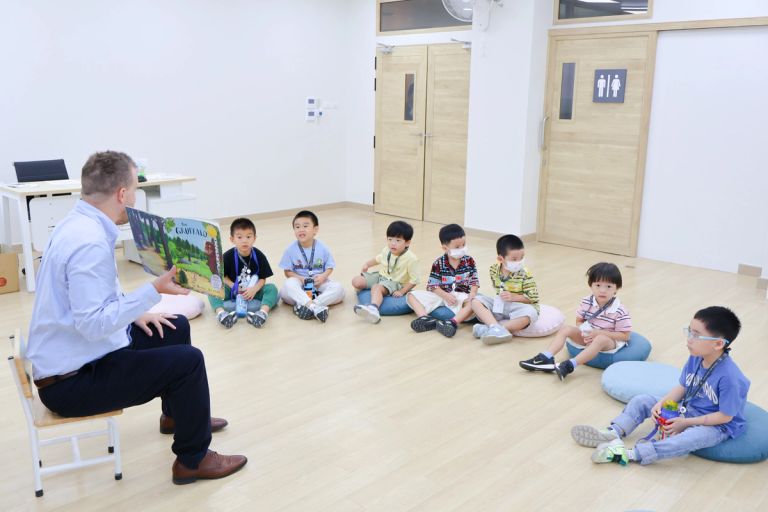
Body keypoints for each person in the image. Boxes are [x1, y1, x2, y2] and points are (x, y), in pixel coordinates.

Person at [25, 151, 246, 485]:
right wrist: (152, 290)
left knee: (175, 327)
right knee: (189, 362)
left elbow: (91, 301)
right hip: (71, 382)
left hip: (76, 354)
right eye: (135, 190)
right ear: (121, 194)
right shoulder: (89, 243)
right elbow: (92, 324)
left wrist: (136, 311)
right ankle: (193, 460)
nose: (135, 198)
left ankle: (177, 416)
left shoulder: (78, 223)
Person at [571, 307, 749, 466]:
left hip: (717, 425)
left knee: (691, 438)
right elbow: (683, 387)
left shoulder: (731, 378)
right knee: (642, 400)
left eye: (696, 335)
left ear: (718, 344)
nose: (689, 339)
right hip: (688, 409)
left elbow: (725, 416)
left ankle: (630, 454)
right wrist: (661, 403)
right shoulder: (696, 356)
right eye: (689, 331)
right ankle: (613, 432)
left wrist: (685, 423)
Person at [519, 262, 631, 380]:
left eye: (608, 286)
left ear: (616, 288)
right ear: (591, 285)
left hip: (609, 341)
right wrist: (586, 333)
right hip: (590, 335)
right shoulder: (586, 301)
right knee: (566, 329)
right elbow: (579, 321)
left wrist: (598, 333)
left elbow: (625, 336)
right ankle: (546, 357)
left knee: (600, 339)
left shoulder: (620, 310)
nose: (602, 290)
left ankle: (570, 365)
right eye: (598, 285)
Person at [407, 224, 478, 338]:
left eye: (464, 245)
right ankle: (425, 319)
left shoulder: (469, 261)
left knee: (474, 303)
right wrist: (445, 295)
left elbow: (474, 280)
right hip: (441, 295)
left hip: (461, 296)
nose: (462, 249)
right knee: (411, 295)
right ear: (445, 248)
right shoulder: (438, 263)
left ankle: (452, 323)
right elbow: (432, 285)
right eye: (457, 247)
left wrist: (473, 293)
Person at [209, 217, 278, 329]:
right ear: (232, 239)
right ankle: (221, 313)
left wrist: (254, 289)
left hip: (253, 290)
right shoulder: (227, 256)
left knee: (272, 288)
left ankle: (262, 313)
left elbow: (262, 279)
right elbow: (223, 277)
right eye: (239, 237)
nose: (244, 241)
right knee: (213, 288)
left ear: (254, 238)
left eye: (248, 237)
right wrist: (233, 286)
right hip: (233, 290)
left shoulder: (259, 255)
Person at [471, 234, 539, 345]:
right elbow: (497, 290)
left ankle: (492, 328)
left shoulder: (525, 273)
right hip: (501, 304)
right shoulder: (493, 270)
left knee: (531, 313)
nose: (519, 261)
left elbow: (533, 298)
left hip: (519, 306)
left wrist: (514, 297)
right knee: (475, 300)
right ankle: (494, 327)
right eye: (514, 259)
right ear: (500, 259)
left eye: (522, 257)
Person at [278, 210, 345, 322]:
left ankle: (308, 305)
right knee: (286, 289)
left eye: (305, 226)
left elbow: (330, 267)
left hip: (319, 283)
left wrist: (323, 276)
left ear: (315, 229)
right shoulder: (290, 250)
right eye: (297, 227)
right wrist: (301, 279)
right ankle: (315, 306)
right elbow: (287, 272)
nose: (301, 229)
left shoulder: (323, 247)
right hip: (300, 284)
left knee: (339, 289)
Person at [352, 220, 419, 324]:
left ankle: (373, 309)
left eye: (398, 240)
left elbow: (415, 280)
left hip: (395, 282)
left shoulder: (411, 259)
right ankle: (372, 292)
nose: (393, 243)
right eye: (390, 239)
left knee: (376, 287)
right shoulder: (387, 250)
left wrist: (402, 292)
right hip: (381, 276)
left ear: (407, 242)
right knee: (356, 281)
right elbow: (378, 259)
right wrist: (367, 264)